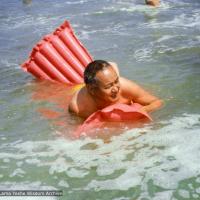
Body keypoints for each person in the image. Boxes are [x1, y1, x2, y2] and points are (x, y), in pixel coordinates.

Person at [69, 60, 163, 118]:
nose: (116, 89)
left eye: (116, 81)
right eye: (108, 86)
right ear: (92, 90)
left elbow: (157, 102)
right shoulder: (79, 108)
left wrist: (141, 111)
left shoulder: (125, 87)